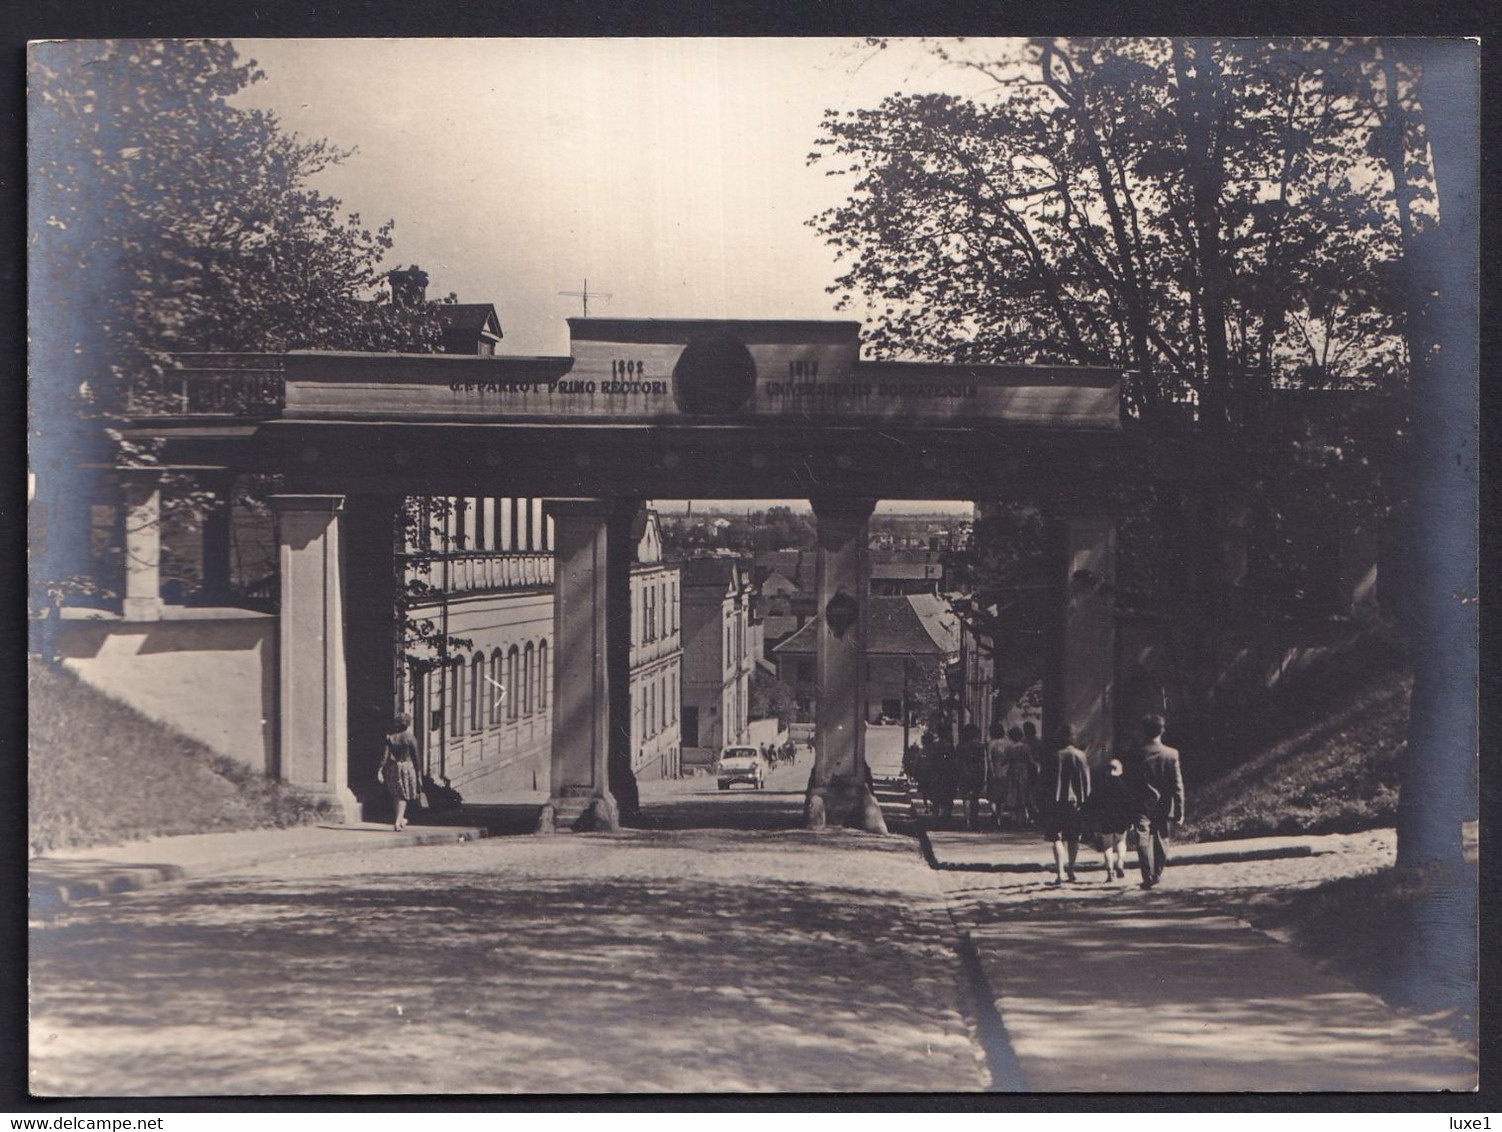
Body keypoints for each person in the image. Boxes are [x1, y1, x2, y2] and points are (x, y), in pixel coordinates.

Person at [1128, 714, 1185, 889]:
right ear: (1162, 730)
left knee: (1142, 838)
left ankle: (1148, 875)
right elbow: (1177, 785)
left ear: (1143, 732)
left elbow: (1130, 781)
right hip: (1164, 803)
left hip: (1141, 802)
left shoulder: (1136, 753)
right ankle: (1157, 872)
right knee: (1161, 837)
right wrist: (1180, 810)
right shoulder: (1171, 754)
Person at [1042, 724, 1091, 884]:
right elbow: (1086, 782)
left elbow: (1045, 782)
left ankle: (1059, 872)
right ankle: (1071, 869)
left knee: (1057, 837)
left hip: (1055, 802)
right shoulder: (1081, 756)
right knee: (1073, 837)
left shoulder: (1054, 756)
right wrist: (1086, 800)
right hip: (1075, 802)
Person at [1083, 758, 1133, 882]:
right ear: (1120, 770)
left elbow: (1093, 802)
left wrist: (1093, 818)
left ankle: (1110, 869)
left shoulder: (1102, 785)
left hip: (1106, 818)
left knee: (1107, 845)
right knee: (1121, 842)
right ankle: (1120, 863)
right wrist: (1131, 819)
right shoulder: (1124, 784)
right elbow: (1130, 803)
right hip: (1121, 818)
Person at [378, 713, 423, 832]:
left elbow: (385, 756)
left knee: (397, 795)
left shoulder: (390, 738)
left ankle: (401, 819)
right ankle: (398, 821)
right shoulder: (410, 738)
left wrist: (380, 769)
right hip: (407, 767)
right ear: (408, 724)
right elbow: (416, 757)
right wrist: (418, 773)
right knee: (403, 795)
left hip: (394, 768)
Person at [954, 723, 987, 829]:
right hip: (977, 772)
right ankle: (974, 818)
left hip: (964, 772)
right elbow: (983, 762)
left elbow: (957, 761)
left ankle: (967, 820)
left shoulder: (960, 746)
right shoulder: (980, 746)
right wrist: (984, 775)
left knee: (966, 798)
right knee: (975, 797)